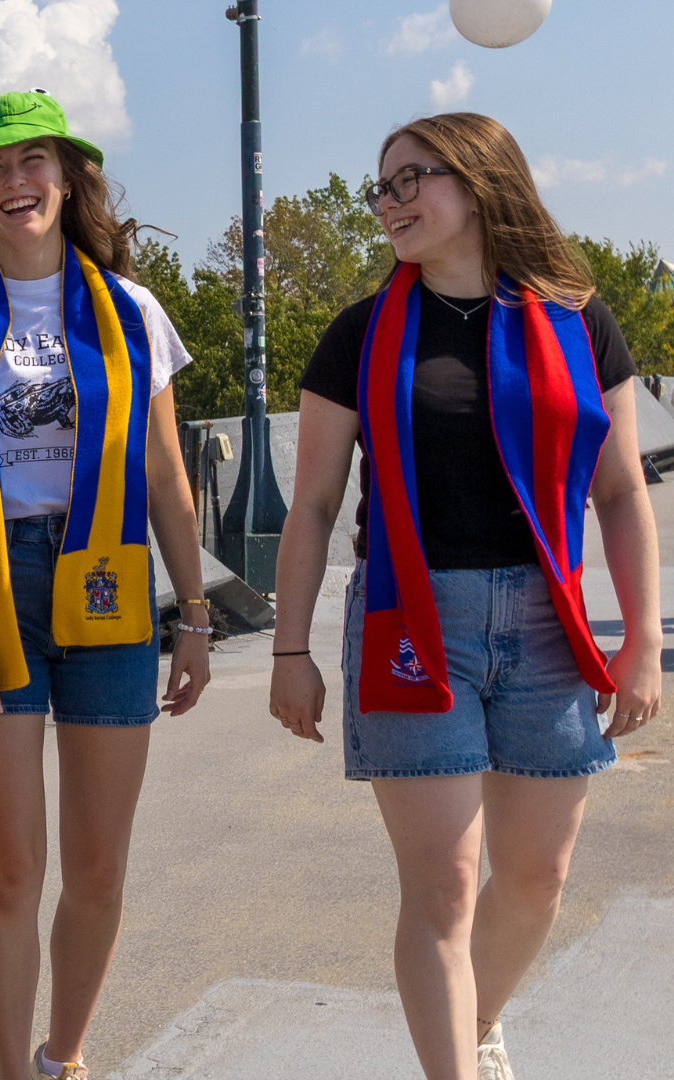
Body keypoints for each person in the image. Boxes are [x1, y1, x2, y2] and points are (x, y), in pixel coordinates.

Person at [269, 113, 661, 1080]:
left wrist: (643, 638)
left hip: (545, 624)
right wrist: (291, 650)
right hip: (413, 621)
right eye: (382, 186)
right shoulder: (360, 334)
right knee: (442, 887)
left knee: (536, 880)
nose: (391, 201)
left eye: (412, 179)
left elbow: (618, 491)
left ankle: (473, 1025)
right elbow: (313, 505)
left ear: (481, 182)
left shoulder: (578, 318)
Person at [0, 90, 213, 1080]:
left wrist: (194, 615)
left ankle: (66, 1055)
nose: (16, 182)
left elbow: (165, 473)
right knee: (13, 867)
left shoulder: (130, 310)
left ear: (68, 180)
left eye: (34, 163)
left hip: (107, 575)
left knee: (98, 866)